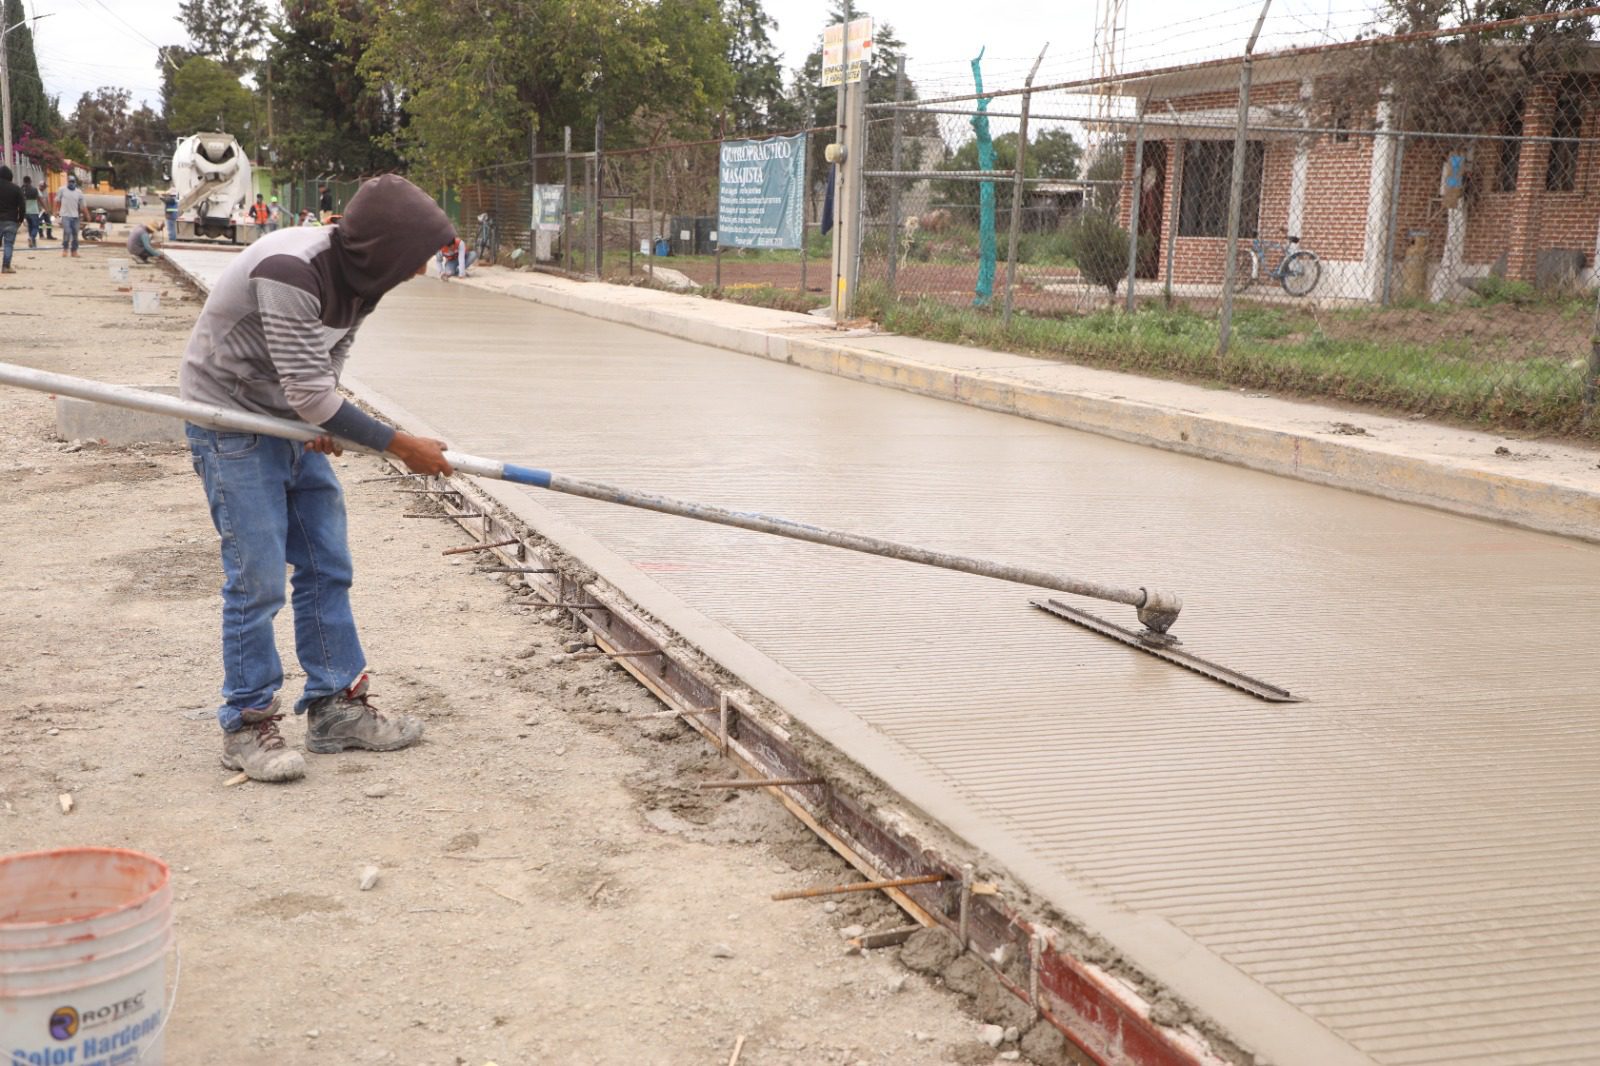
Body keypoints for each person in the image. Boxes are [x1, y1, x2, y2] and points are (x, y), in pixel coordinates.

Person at [179, 174, 457, 783]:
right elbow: (310, 389)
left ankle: (334, 707)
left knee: (327, 565)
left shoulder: (366, 279)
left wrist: (320, 415)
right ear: (384, 245)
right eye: (414, 258)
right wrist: (400, 445)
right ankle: (247, 723)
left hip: (289, 420)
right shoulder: (290, 268)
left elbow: (325, 369)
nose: (417, 272)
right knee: (257, 581)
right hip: (231, 421)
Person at [56, 176, 87, 257]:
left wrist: (87, 215)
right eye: (70, 181)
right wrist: (56, 212)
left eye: (73, 181)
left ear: (75, 182)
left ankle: (74, 251)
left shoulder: (79, 192)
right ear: (67, 181)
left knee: (75, 234)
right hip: (65, 215)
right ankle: (65, 249)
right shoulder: (62, 190)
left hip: (75, 217)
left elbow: (83, 205)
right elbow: (57, 201)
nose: (71, 183)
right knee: (67, 232)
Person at [0, 166, 22, 274]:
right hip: (11, 220)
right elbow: (22, 206)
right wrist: (20, 220)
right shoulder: (16, 188)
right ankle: (5, 266)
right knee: (8, 244)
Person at [21, 175, 42, 249]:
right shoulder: (34, 189)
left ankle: (32, 243)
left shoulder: (21, 189)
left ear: (24, 181)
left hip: (25, 211)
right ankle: (32, 237)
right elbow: (39, 199)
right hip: (33, 210)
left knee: (30, 226)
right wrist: (45, 208)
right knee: (35, 226)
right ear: (30, 181)